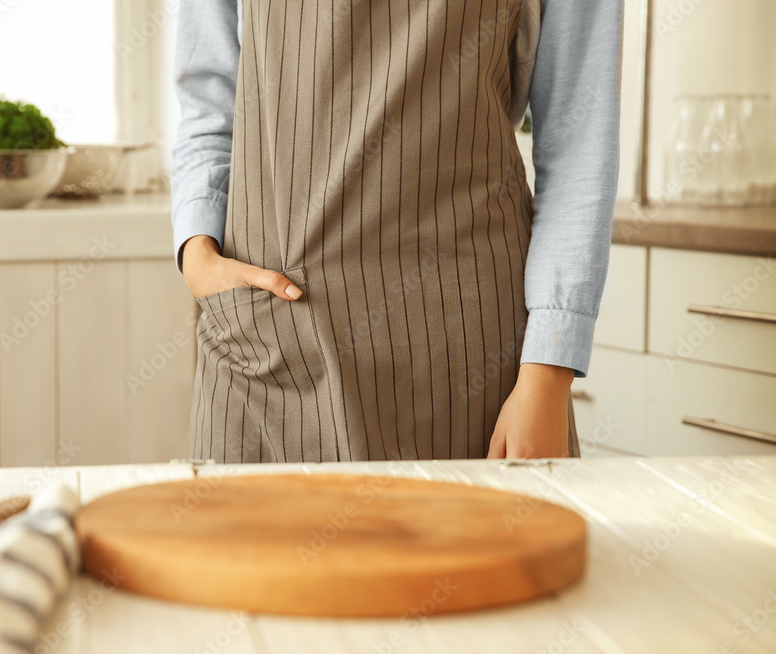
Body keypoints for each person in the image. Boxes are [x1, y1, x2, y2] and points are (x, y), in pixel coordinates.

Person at [171, 0, 623, 463]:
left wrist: (548, 372)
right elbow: (209, 98)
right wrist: (197, 250)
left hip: (467, 356)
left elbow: (579, 139)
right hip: (265, 338)